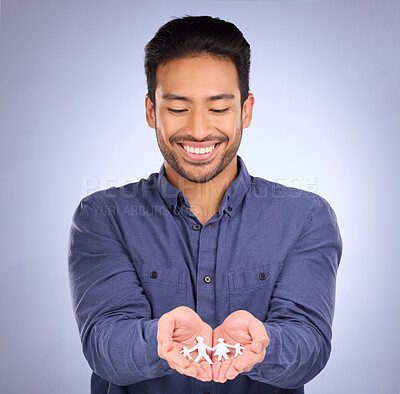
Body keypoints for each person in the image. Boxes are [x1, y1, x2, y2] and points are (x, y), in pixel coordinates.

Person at [68, 15, 343, 394]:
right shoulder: (102, 217)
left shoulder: (305, 217)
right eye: (178, 108)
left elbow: (309, 344)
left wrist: (264, 345)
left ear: (245, 110)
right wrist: (158, 340)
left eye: (218, 108)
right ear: (151, 111)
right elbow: (105, 344)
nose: (198, 130)